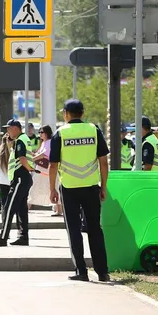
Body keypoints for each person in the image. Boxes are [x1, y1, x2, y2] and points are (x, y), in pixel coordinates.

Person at [49, 99, 110, 282]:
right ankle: (102, 272)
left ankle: (81, 271)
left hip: (69, 188)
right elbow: (103, 162)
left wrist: (52, 189)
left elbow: (53, 165)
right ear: (82, 113)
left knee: (74, 230)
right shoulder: (94, 130)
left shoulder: (60, 133)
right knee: (95, 229)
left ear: (66, 113)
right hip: (91, 187)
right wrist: (104, 187)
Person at [0, 119, 34, 247]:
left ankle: (3, 238)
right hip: (23, 178)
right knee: (21, 209)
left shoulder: (20, 140)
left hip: (20, 178)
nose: (7, 131)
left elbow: (22, 157)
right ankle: (23, 236)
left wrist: (29, 168)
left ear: (15, 128)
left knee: (8, 208)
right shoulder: (24, 138)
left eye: (9, 128)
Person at [31, 126, 55, 211]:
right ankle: (58, 209)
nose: (40, 134)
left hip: (45, 169)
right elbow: (39, 153)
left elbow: (44, 154)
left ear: (47, 133)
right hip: (42, 169)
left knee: (34, 186)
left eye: (42, 132)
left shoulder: (49, 142)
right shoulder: (44, 143)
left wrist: (32, 159)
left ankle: (26, 207)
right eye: (39, 132)